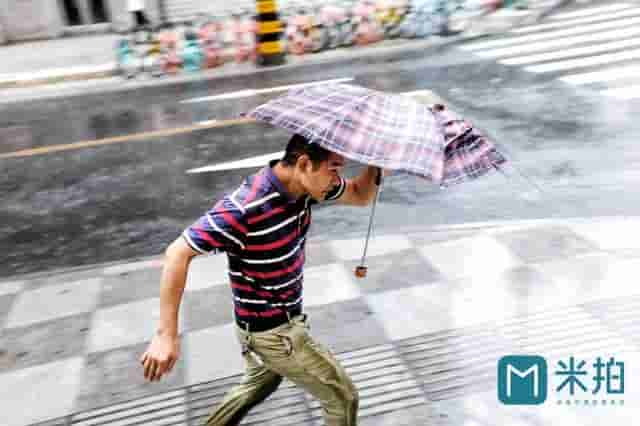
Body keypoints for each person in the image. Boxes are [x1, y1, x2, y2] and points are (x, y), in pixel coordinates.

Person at [140, 134, 385, 425]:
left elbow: (360, 193)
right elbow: (177, 252)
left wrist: (379, 159)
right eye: (333, 169)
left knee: (261, 382)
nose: (337, 178)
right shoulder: (246, 207)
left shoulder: (303, 189)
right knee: (343, 397)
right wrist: (166, 335)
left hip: (263, 325)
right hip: (274, 334)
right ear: (305, 163)